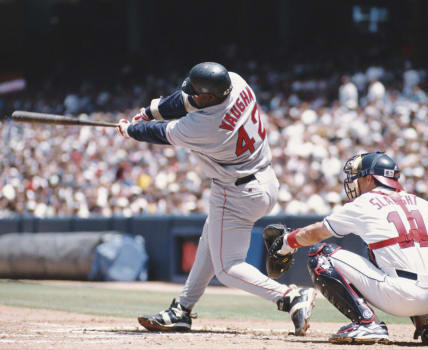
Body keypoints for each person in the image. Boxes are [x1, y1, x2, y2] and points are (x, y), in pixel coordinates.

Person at [117, 62, 315, 335]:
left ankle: (289, 296)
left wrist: (131, 130)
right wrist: (149, 112)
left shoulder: (205, 126)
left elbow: (162, 133)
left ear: (210, 96)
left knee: (227, 267)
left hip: (235, 191)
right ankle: (181, 310)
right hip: (264, 180)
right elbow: (184, 101)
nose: (193, 95)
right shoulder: (236, 82)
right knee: (210, 241)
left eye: (199, 93)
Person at [268, 151, 428, 344]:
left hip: (401, 296)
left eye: (358, 177)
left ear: (370, 179)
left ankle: (367, 323)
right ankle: (427, 323)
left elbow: (315, 234)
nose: (354, 182)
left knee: (321, 255)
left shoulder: (364, 203)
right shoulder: (425, 205)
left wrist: (287, 242)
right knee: (385, 252)